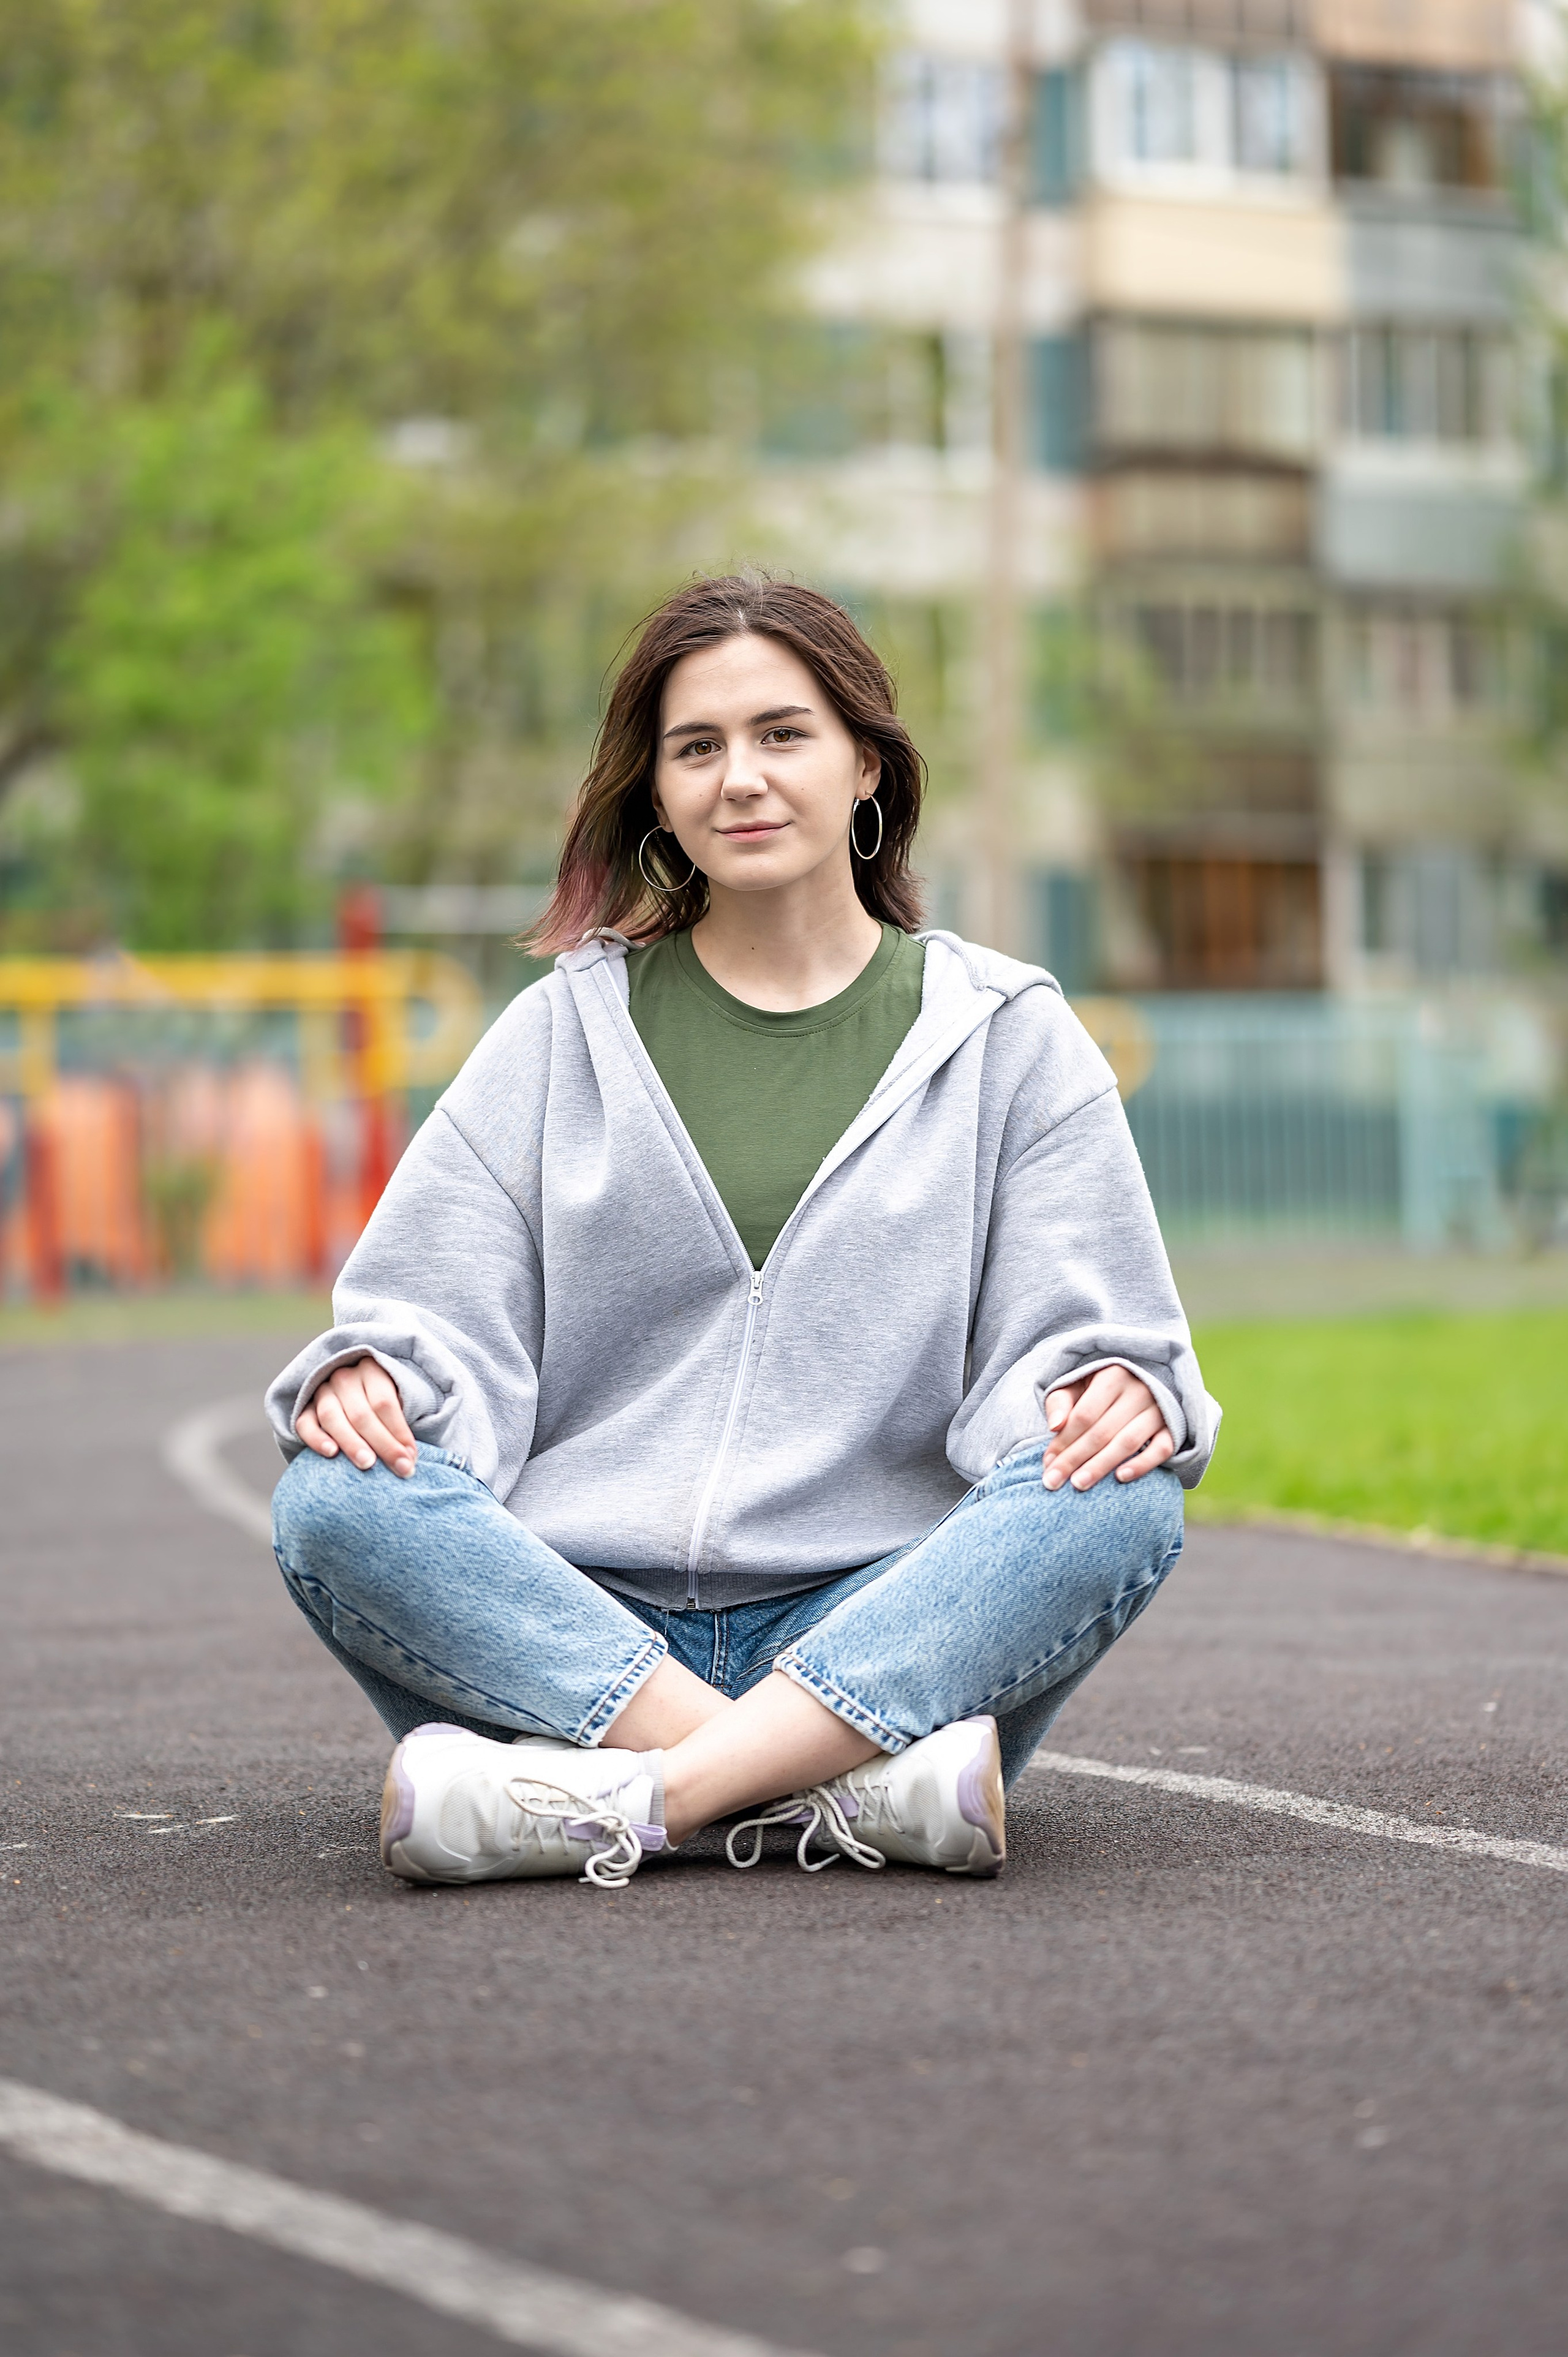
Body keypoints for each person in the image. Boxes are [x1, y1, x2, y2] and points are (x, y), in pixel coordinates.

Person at [267, 575, 1218, 1891]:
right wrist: (379, 1378)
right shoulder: (558, 1034)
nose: (740, 779)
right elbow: (427, 1311)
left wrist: (1108, 1391)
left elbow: (1089, 1342)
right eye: (696, 747)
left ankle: (625, 1804)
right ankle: (832, 1791)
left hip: (882, 1619)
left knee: (1123, 1496)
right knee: (330, 1497)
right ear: (654, 792)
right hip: (574, 1620)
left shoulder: (1009, 1037)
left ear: (865, 765)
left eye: (783, 734)